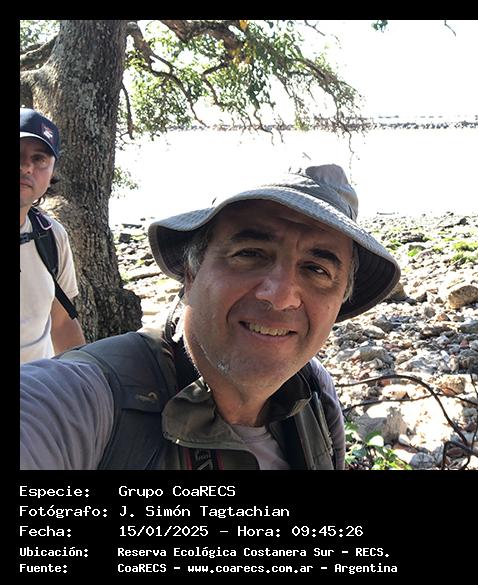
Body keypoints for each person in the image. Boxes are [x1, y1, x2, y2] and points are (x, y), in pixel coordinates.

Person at [20, 164, 401, 470]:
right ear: (192, 272)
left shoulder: (313, 392)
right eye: (250, 254)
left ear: (339, 301)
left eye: (317, 270)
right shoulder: (77, 403)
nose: (281, 296)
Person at [20, 108, 86, 363]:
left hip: (40, 385)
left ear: (51, 173)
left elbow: (62, 323)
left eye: (39, 159)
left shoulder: (51, 236)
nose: (26, 166)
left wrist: (83, 378)